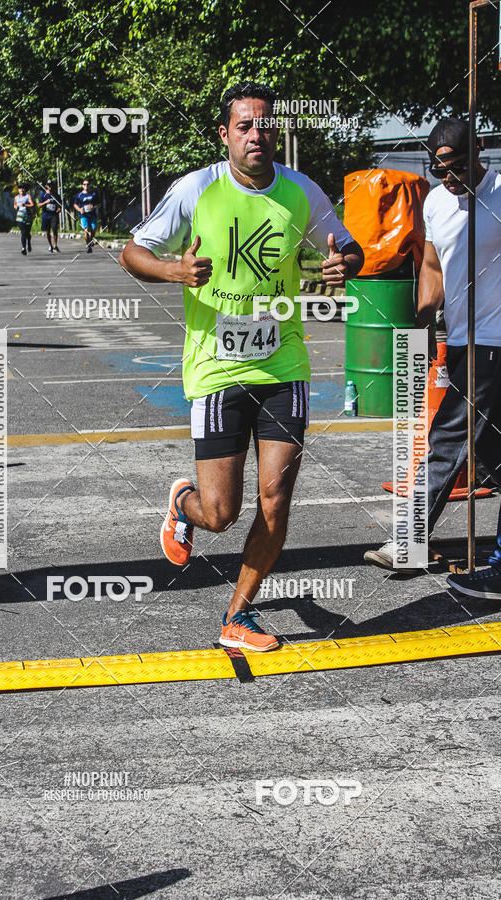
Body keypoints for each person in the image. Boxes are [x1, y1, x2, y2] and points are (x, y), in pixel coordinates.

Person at [120, 82, 363, 650]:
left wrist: (342, 265)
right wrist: (174, 272)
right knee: (221, 513)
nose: (257, 134)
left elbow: (348, 248)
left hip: (283, 365)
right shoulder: (196, 188)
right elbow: (133, 252)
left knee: (275, 499)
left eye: (266, 124)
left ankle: (239, 614)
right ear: (225, 135)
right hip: (217, 369)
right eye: (245, 126)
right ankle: (184, 504)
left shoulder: (301, 192)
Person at [364, 117, 501, 599]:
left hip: (493, 341)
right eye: (439, 169)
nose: (449, 177)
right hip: (461, 339)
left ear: (479, 149)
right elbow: (432, 266)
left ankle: (409, 541)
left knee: (447, 438)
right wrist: (424, 326)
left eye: (458, 166)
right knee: (492, 456)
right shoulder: (437, 201)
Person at [73, 178, 100, 253]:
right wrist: (79, 209)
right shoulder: (79, 195)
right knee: (86, 230)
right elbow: (75, 204)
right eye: (84, 184)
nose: (86, 186)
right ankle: (88, 245)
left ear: (90, 185)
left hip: (92, 214)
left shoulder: (93, 194)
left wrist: (94, 207)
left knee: (93, 229)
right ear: (82, 186)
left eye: (87, 184)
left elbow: (99, 204)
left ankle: (91, 240)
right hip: (84, 215)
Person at [38, 180, 61, 252]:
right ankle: (50, 245)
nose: (50, 187)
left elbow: (60, 204)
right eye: (49, 185)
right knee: (47, 231)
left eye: (51, 185)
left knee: (54, 229)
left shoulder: (56, 195)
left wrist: (59, 209)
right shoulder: (43, 195)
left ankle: (55, 245)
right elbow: (39, 205)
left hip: (54, 215)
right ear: (46, 186)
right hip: (46, 215)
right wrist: (45, 202)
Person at [14, 183, 34, 256]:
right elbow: (15, 205)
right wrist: (16, 207)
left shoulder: (27, 196)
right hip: (20, 217)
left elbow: (32, 204)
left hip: (28, 216)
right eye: (20, 188)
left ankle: (29, 242)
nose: (21, 190)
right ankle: (23, 248)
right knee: (23, 232)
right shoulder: (16, 197)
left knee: (27, 233)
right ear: (18, 190)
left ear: (25, 189)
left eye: (23, 188)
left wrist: (25, 205)